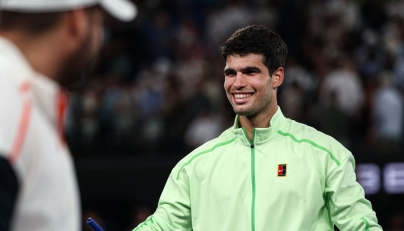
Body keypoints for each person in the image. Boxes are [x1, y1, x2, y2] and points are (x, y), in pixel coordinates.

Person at [133, 25, 382, 230]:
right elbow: (160, 226)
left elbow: (362, 225)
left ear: (277, 77)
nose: (237, 83)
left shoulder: (326, 154)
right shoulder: (194, 166)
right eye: (230, 74)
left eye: (250, 72)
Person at [0, 0, 136, 230]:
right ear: (78, 20)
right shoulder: (8, 100)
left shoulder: (20, 97)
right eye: (100, 22)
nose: (100, 39)